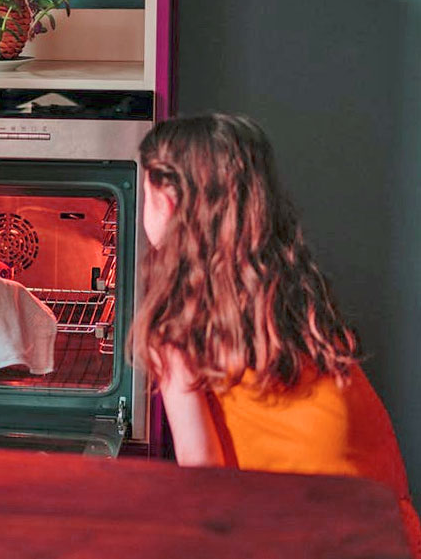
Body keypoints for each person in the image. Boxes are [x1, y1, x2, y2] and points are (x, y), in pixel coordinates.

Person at [130, 113, 421, 555]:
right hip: (385, 526)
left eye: (146, 191)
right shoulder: (293, 289)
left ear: (168, 202)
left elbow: (203, 474)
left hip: (297, 535)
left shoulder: (178, 326)